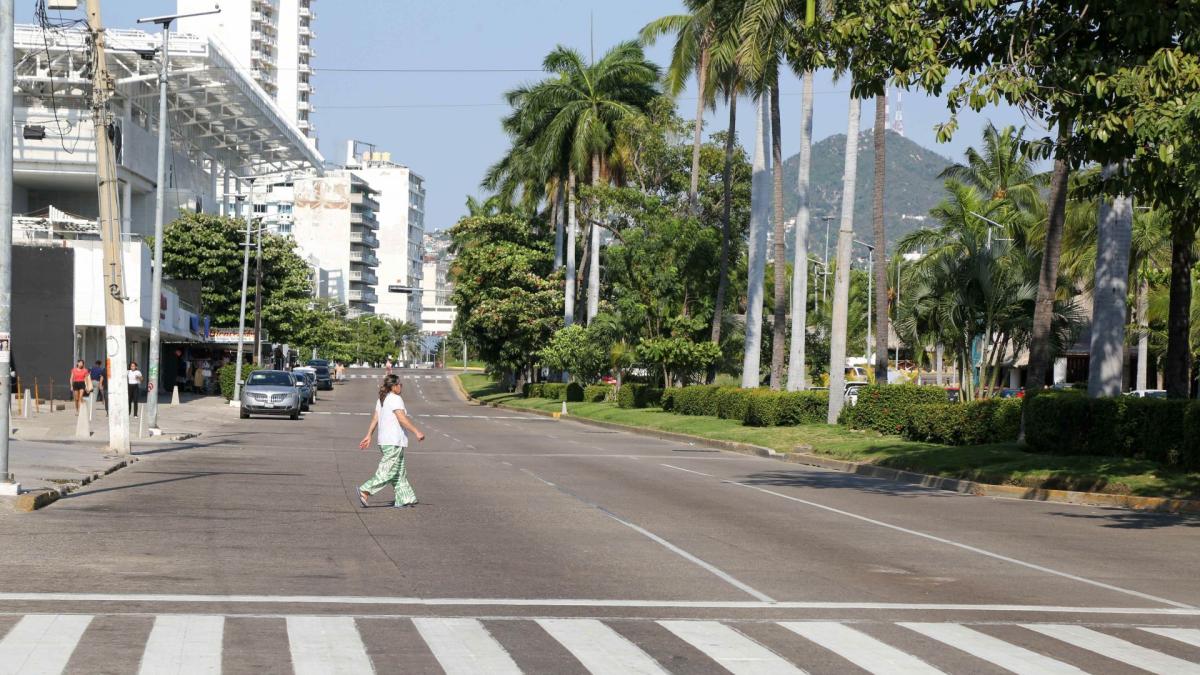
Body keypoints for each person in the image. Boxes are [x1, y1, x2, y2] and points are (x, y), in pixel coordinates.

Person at [358, 374, 425, 508]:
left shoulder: (383, 399)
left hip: (386, 441)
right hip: (393, 441)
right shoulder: (395, 398)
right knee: (388, 471)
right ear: (394, 386)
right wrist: (416, 431)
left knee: (398, 471)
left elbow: (375, 418)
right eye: (400, 384)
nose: (401, 387)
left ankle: (406, 498)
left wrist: (369, 435)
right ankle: (365, 490)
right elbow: (401, 418)